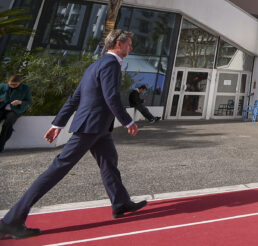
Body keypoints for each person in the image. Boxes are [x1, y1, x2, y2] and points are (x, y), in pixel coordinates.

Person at [0, 30, 147, 240]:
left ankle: (120, 202)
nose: (131, 48)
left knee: (109, 163)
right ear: (119, 44)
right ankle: (11, 221)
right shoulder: (110, 65)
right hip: (92, 127)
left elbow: (74, 98)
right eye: (129, 44)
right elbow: (110, 97)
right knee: (58, 168)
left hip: (99, 129)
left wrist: (57, 124)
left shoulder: (94, 65)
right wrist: (128, 121)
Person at [0, 74, 32, 153]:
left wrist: (20, 102)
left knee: (7, 125)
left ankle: (1, 146)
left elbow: (28, 101)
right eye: (10, 84)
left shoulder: (25, 88)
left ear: (20, 83)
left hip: (15, 110)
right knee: (7, 126)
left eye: (15, 84)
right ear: (8, 82)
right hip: (1, 108)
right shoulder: (2, 86)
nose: (12, 86)